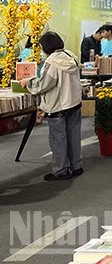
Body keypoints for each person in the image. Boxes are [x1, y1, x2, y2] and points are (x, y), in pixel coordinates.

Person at [20, 32, 82, 181]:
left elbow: (44, 84)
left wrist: (28, 82)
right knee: (73, 136)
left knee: (58, 139)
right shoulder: (70, 56)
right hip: (74, 102)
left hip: (58, 106)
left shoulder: (52, 62)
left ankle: (61, 170)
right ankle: (76, 166)